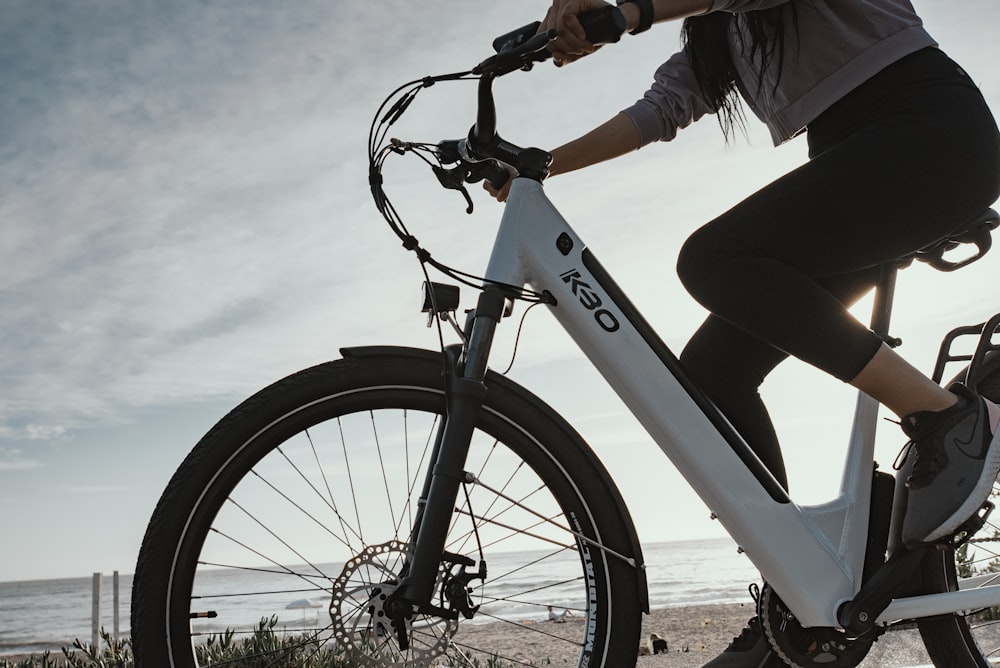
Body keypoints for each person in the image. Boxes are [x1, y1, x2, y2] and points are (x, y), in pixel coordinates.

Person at [488, 1, 1000, 665]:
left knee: (716, 260)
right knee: (713, 372)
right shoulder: (720, 32)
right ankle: (797, 588)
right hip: (860, 168)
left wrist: (628, 12)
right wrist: (540, 166)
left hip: (929, 135)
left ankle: (943, 417)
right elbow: (660, 110)